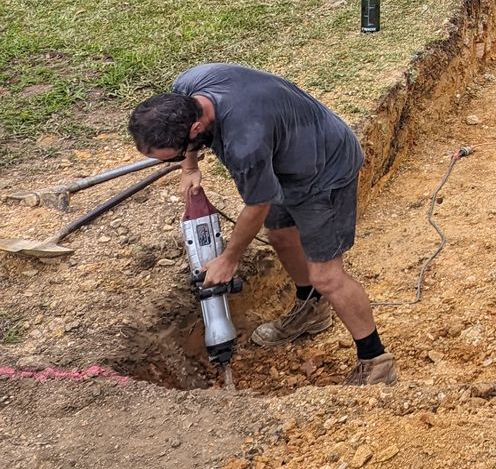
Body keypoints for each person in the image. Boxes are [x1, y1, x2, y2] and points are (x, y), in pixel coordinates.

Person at [127, 64, 394, 385]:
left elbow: (257, 205)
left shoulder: (245, 143)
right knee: (281, 236)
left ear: (195, 128)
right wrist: (188, 167)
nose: (175, 160)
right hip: (282, 161)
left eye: (173, 156)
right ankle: (312, 309)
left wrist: (229, 258)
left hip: (325, 168)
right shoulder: (187, 86)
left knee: (327, 275)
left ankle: (375, 360)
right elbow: (196, 147)